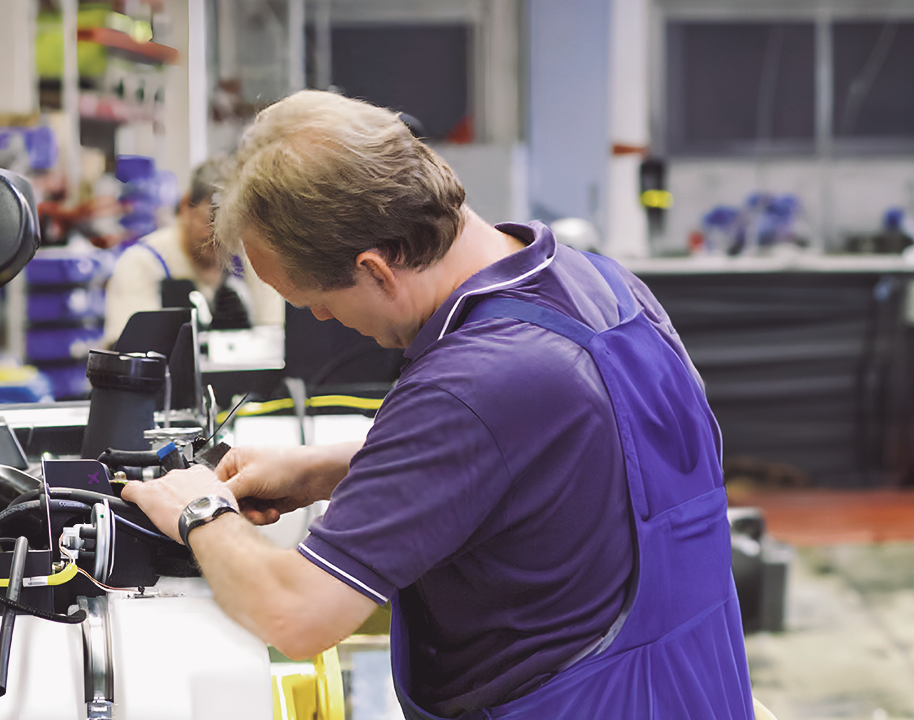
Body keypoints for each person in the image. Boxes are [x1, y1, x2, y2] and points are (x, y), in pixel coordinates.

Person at [121, 90, 754, 719]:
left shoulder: (469, 382)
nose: (321, 317)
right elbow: (571, 458)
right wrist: (329, 468)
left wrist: (198, 510)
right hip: (698, 687)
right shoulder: (603, 286)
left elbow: (299, 614)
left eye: (316, 300)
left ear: (376, 269)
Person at [100, 157, 284, 348]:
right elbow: (127, 356)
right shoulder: (142, 264)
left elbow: (274, 336)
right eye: (211, 221)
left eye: (232, 227)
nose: (219, 238)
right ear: (186, 206)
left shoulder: (250, 261)